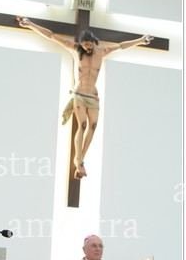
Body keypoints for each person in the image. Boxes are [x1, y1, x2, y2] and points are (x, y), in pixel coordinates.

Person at [16, 18, 153, 179]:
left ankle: (80, 159)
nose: (87, 47)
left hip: (93, 96)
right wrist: (30, 24)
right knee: (82, 125)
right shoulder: (75, 50)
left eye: (89, 45)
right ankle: (78, 161)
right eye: (84, 45)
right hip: (79, 94)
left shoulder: (102, 51)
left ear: (94, 42)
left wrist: (141, 40)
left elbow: (121, 46)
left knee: (93, 126)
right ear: (81, 44)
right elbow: (51, 35)